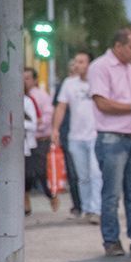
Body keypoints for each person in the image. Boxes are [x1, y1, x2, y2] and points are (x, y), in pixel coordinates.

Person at [88, 28, 131, 257]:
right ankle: (111, 240)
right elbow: (102, 103)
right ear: (118, 46)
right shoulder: (100, 67)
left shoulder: (130, 69)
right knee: (111, 194)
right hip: (112, 137)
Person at [53, 52, 101, 225]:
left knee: (96, 173)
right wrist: (55, 129)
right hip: (76, 136)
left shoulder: (98, 81)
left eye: (81, 61)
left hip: (95, 134)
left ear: (89, 64)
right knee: (82, 176)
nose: (77, 65)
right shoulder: (69, 83)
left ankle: (97, 209)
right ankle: (87, 208)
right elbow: (61, 107)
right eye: (76, 62)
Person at [23, 68, 59, 214]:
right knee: (26, 172)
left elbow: (48, 116)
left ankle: (51, 195)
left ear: (35, 80)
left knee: (41, 170)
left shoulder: (41, 96)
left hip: (40, 138)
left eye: (28, 78)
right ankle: (25, 199)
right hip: (25, 141)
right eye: (23, 78)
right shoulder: (19, 97)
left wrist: (38, 125)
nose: (25, 81)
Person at [52, 60, 83, 219]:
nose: (75, 67)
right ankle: (78, 205)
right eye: (72, 65)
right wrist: (55, 130)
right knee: (73, 172)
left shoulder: (91, 84)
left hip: (87, 134)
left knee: (90, 173)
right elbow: (57, 108)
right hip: (68, 134)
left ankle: (91, 205)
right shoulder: (64, 86)